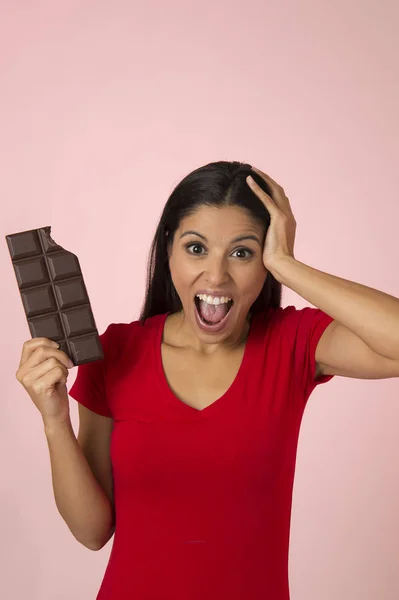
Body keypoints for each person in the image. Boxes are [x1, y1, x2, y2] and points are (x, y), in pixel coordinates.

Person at [16, 161, 399, 599]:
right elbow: (91, 531)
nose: (216, 276)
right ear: (168, 250)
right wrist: (54, 419)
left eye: (242, 252)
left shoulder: (292, 343)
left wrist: (286, 264)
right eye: (196, 248)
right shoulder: (117, 353)